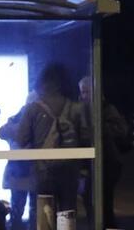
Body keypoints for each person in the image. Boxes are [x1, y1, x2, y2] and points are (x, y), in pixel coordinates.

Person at [14, 63, 88, 216]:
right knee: (68, 213)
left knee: (42, 215)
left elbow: (21, 139)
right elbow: (86, 139)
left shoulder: (32, 109)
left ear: (42, 83)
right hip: (69, 172)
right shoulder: (76, 108)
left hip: (43, 172)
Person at [78, 76, 130, 230]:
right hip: (96, 162)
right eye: (82, 93)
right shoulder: (84, 110)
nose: (84, 96)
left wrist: (99, 127)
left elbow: (121, 130)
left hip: (108, 162)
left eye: (87, 92)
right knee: (90, 198)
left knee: (103, 202)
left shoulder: (106, 109)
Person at [0, 93, 38, 230]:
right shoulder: (19, 118)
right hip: (20, 169)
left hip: (28, 169)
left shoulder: (29, 118)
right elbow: (3, 132)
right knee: (18, 207)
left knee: (30, 207)